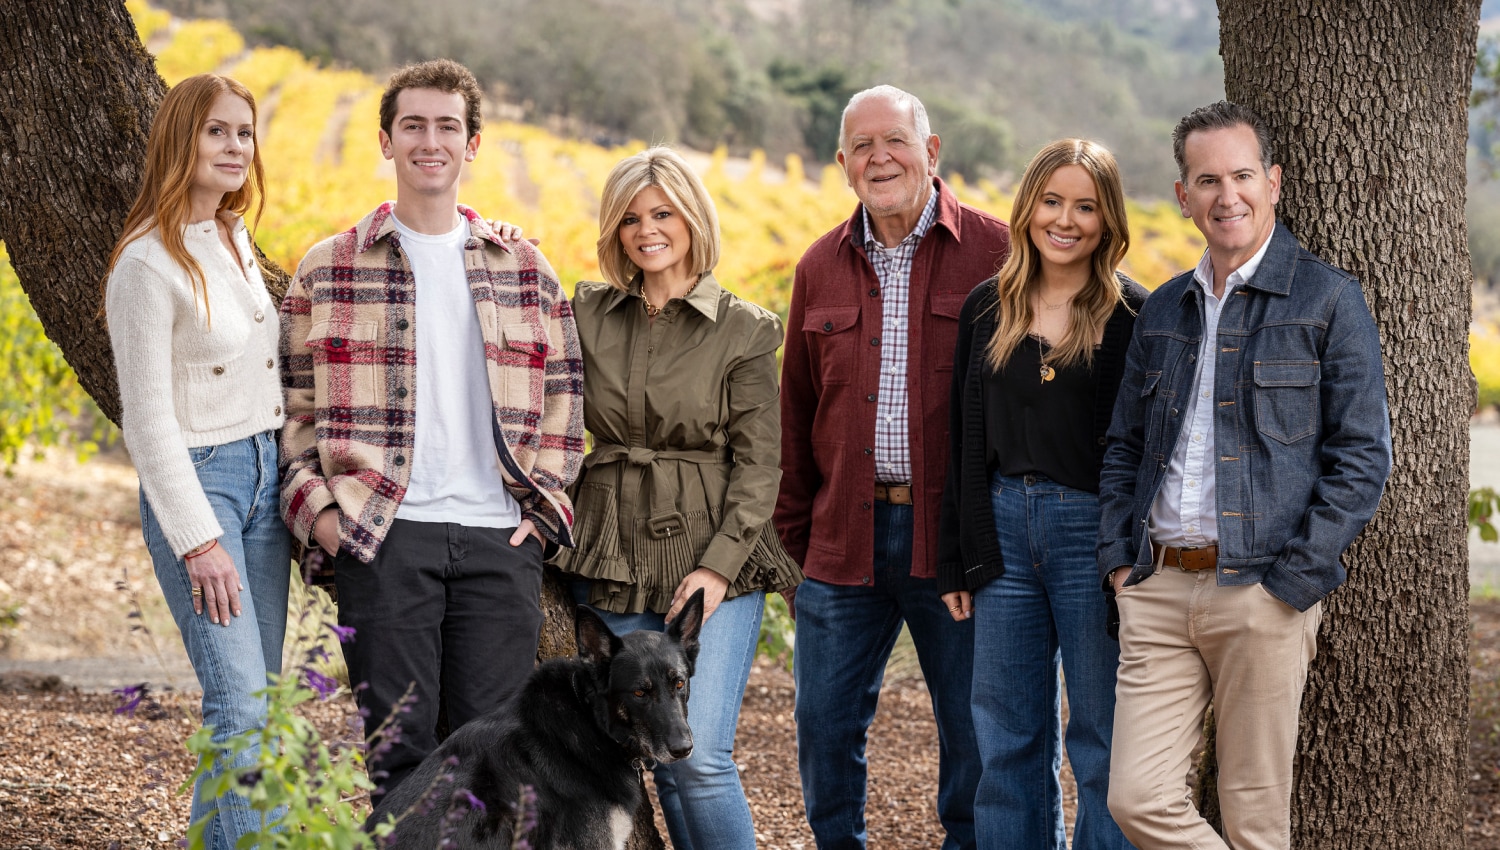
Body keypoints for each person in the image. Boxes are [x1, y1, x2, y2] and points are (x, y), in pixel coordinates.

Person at [277, 59, 584, 805]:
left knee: (494, 767)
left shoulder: (525, 269)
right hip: (385, 536)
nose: (430, 141)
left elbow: (565, 403)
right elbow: (291, 413)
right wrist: (322, 518)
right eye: (412, 125)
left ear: (472, 144)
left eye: (448, 126)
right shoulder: (328, 268)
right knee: (399, 760)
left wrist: (544, 510)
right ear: (386, 140)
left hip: (498, 539)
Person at [1098, 101, 1392, 850]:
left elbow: (1362, 456)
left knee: (1256, 818)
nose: (1226, 195)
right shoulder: (1163, 309)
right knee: (1136, 799)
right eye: (1207, 180)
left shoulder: (1328, 299)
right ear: (1183, 195)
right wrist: (1120, 566)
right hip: (1158, 588)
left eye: (1241, 175)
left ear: (1273, 182)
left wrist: (1290, 584)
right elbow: (1125, 447)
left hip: (1262, 592)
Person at [529, 145, 803, 850]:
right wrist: (494, 240)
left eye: (662, 214)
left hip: (712, 542)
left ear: (692, 218)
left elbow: (760, 463)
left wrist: (716, 568)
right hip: (612, 543)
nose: (646, 230)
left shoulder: (744, 329)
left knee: (698, 758)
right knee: (646, 755)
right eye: (629, 219)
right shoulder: (586, 311)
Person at [775, 84, 1011, 850]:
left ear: (931, 151)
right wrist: (795, 552)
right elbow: (795, 413)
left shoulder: (998, 252)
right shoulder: (818, 266)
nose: (880, 158)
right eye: (862, 147)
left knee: (973, 730)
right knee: (823, 724)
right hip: (841, 538)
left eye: (896, 141)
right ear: (843, 162)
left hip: (955, 541)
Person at [938, 139, 1143, 850]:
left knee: (1102, 735)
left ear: (1108, 219)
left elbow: (1144, 454)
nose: (1065, 219)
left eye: (1085, 206)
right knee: (1006, 737)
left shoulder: (1133, 315)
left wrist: (1128, 556)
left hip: (1093, 537)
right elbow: (962, 438)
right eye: (1052, 201)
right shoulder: (986, 308)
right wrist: (956, 555)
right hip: (1000, 529)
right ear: (1027, 208)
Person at [103, 73, 290, 848]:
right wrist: (196, 539)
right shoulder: (146, 264)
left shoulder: (235, 239)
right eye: (217, 131)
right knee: (239, 709)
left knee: (258, 708)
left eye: (244, 132)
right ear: (181, 139)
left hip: (266, 483)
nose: (236, 146)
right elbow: (146, 420)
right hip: (201, 487)